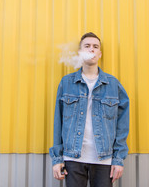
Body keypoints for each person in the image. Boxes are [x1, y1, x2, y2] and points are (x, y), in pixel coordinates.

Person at [49, 32, 130, 187]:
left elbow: (122, 125)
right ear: (80, 53)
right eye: (87, 46)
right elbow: (58, 122)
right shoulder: (66, 83)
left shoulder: (113, 84)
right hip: (73, 158)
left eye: (95, 47)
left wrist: (118, 159)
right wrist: (57, 159)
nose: (91, 49)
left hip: (104, 159)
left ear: (99, 54)